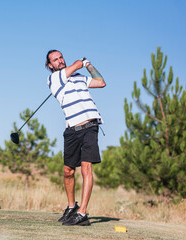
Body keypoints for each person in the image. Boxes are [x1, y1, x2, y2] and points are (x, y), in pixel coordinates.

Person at [45, 50, 106, 226]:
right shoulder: (53, 79)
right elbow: (76, 65)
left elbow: (101, 82)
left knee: (86, 169)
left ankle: (82, 212)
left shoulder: (80, 77)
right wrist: (80, 62)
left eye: (61, 57)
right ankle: (72, 206)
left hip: (90, 126)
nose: (60, 61)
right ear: (50, 65)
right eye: (55, 60)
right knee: (68, 171)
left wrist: (88, 65)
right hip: (72, 129)